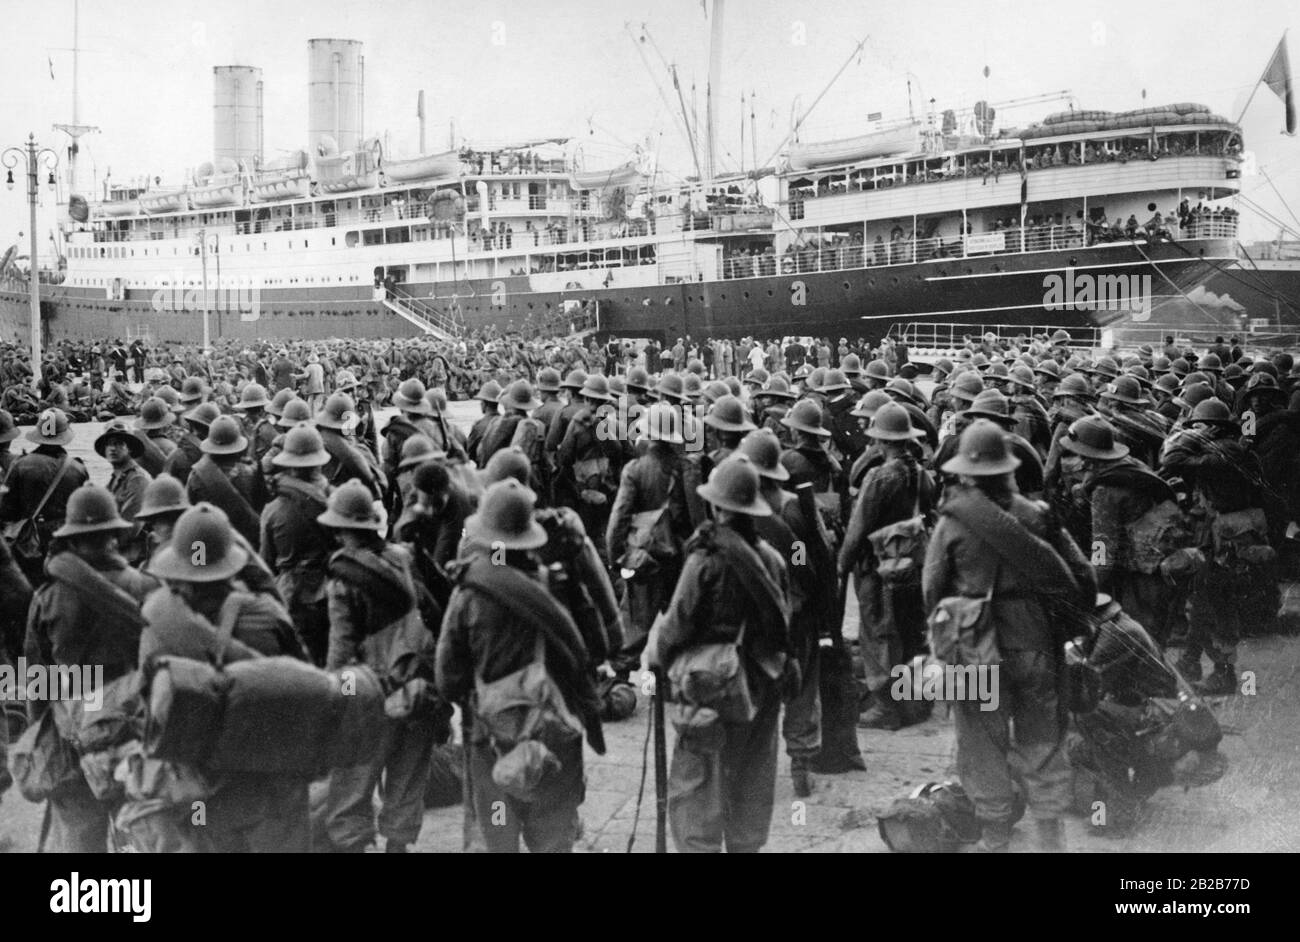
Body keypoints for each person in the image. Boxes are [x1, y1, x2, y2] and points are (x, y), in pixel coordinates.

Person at [923, 420, 1094, 852]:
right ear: (1008, 468)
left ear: (965, 472)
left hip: (977, 652)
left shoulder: (952, 522)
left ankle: (996, 840)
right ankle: (1051, 840)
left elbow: (931, 587)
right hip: (1036, 646)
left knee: (982, 744)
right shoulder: (1038, 516)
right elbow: (1083, 577)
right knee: (1042, 742)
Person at [437, 480, 604, 853]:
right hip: (554, 743)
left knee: (498, 831)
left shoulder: (469, 596)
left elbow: (447, 678)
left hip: (494, 746)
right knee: (553, 840)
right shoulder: (558, 586)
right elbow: (596, 649)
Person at [140, 503, 309, 852]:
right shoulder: (267, 613)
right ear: (230, 564)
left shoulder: (158, 622)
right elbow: (302, 682)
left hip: (201, 790)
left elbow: (149, 705)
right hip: (272, 783)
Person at [650, 456, 793, 853]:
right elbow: (785, 622)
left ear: (717, 505)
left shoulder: (705, 558)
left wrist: (656, 657)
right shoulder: (774, 560)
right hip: (761, 684)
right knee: (751, 779)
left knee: (699, 787)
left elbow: (678, 622)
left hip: (711, 687)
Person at [25, 484, 157, 851]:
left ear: (72, 540)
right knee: (147, 830)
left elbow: (37, 681)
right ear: (114, 536)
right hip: (135, 725)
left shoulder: (47, 597)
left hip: (75, 729)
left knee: (79, 837)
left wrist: (42, 739)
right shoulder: (147, 588)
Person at [318, 480, 444, 854]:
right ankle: (397, 847)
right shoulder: (402, 557)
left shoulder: (343, 577)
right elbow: (430, 612)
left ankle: (354, 846)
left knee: (354, 779)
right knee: (407, 777)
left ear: (342, 530)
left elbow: (340, 650)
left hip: (370, 692)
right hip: (418, 685)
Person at [839, 402, 935, 731]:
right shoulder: (920, 474)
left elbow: (857, 529)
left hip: (877, 567)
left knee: (879, 634)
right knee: (910, 632)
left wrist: (842, 564)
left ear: (880, 441)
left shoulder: (879, 477)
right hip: (913, 564)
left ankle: (885, 706)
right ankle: (914, 702)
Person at [260, 426, 334, 666]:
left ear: (289, 465)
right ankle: (344, 695)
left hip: (292, 594)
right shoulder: (335, 501)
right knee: (336, 658)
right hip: (332, 590)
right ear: (318, 464)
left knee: (301, 661)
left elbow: (267, 563)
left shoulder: (272, 510)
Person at [0, 408, 89, 585]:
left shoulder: (21, 465)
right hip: (65, 543)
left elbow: (7, 511)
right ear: (65, 434)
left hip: (29, 543)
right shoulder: (77, 469)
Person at [95, 420, 153, 566]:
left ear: (130, 449)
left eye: (119, 444)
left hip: (133, 558)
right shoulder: (116, 478)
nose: (112, 449)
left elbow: (130, 528)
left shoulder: (137, 479)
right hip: (119, 553)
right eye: (109, 444)